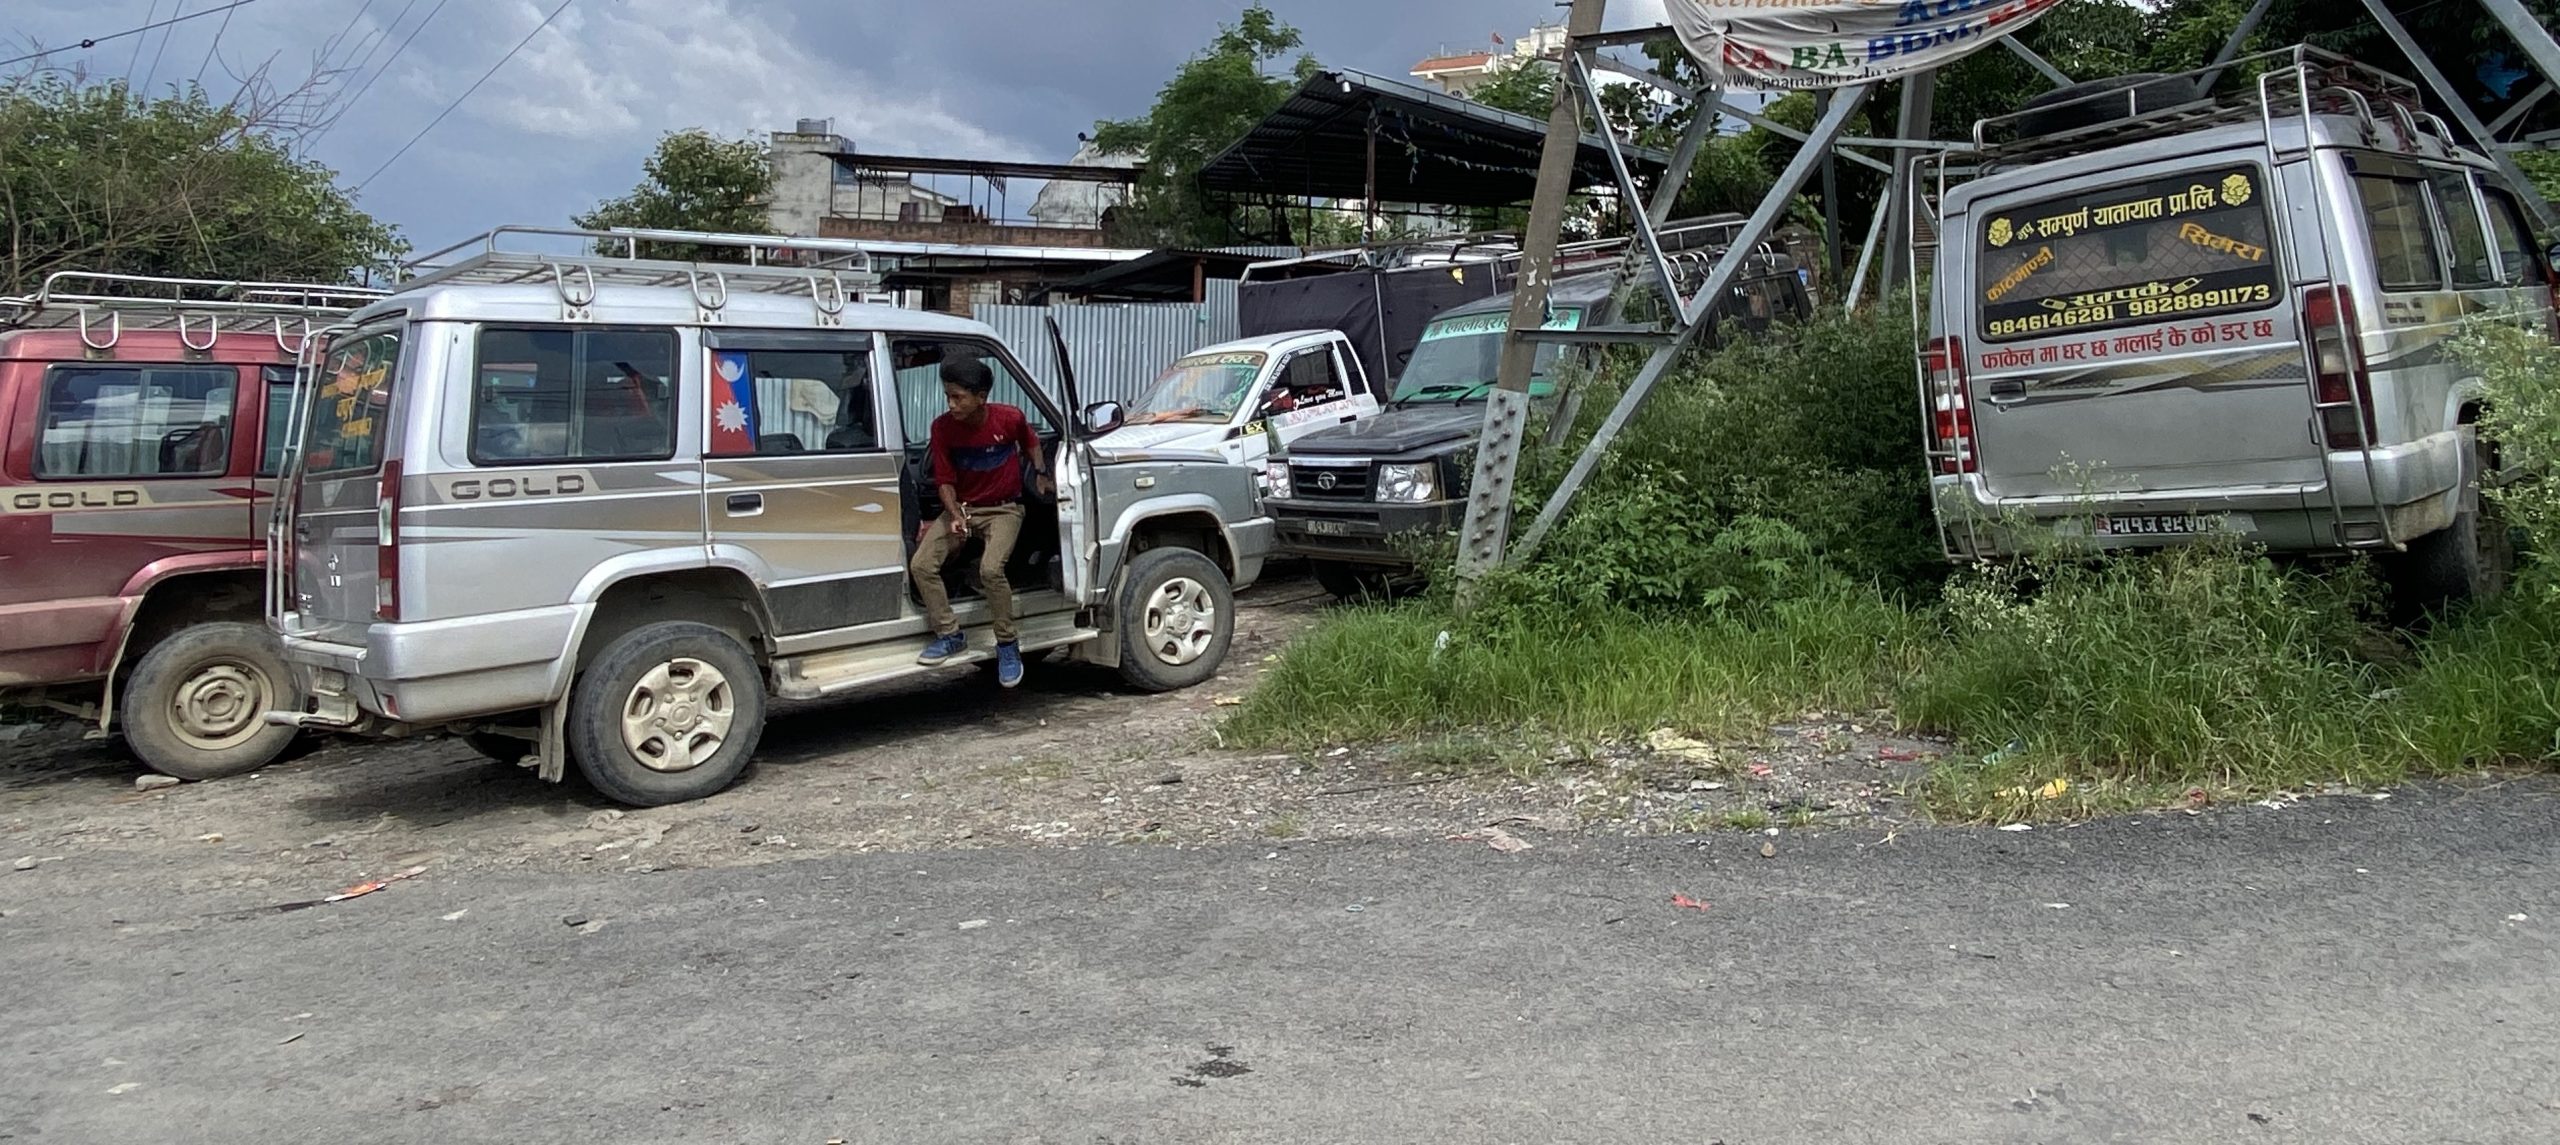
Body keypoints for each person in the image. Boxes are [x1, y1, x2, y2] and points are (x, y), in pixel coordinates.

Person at [910, 355, 1051, 687]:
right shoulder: (942, 428)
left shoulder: (1009, 419)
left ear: (981, 397)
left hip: (1005, 510)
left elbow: (1031, 441)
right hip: (964, 507)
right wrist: (956, 515)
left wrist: (1042, 473)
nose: (951, 404)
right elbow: (944, 480)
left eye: (958, 397)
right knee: (921, 565)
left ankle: (1006, 643)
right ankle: (950, 633)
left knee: (990, 570)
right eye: (948, 396)